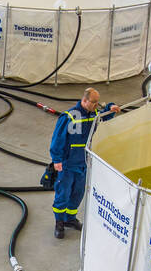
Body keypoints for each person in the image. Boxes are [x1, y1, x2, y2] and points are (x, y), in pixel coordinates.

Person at [49, 88, 119, 239]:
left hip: (84, 163)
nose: (96, 105)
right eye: (94, 102)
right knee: (63, 193)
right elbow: (58, 139)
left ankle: (70, 218)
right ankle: (59, 222)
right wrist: (57, 160)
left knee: (78, 193)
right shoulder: (69, 116)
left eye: (97, 102)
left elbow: (104, 116)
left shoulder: (93, 115)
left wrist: (111, 108)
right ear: (84, 100)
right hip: (68, 164)